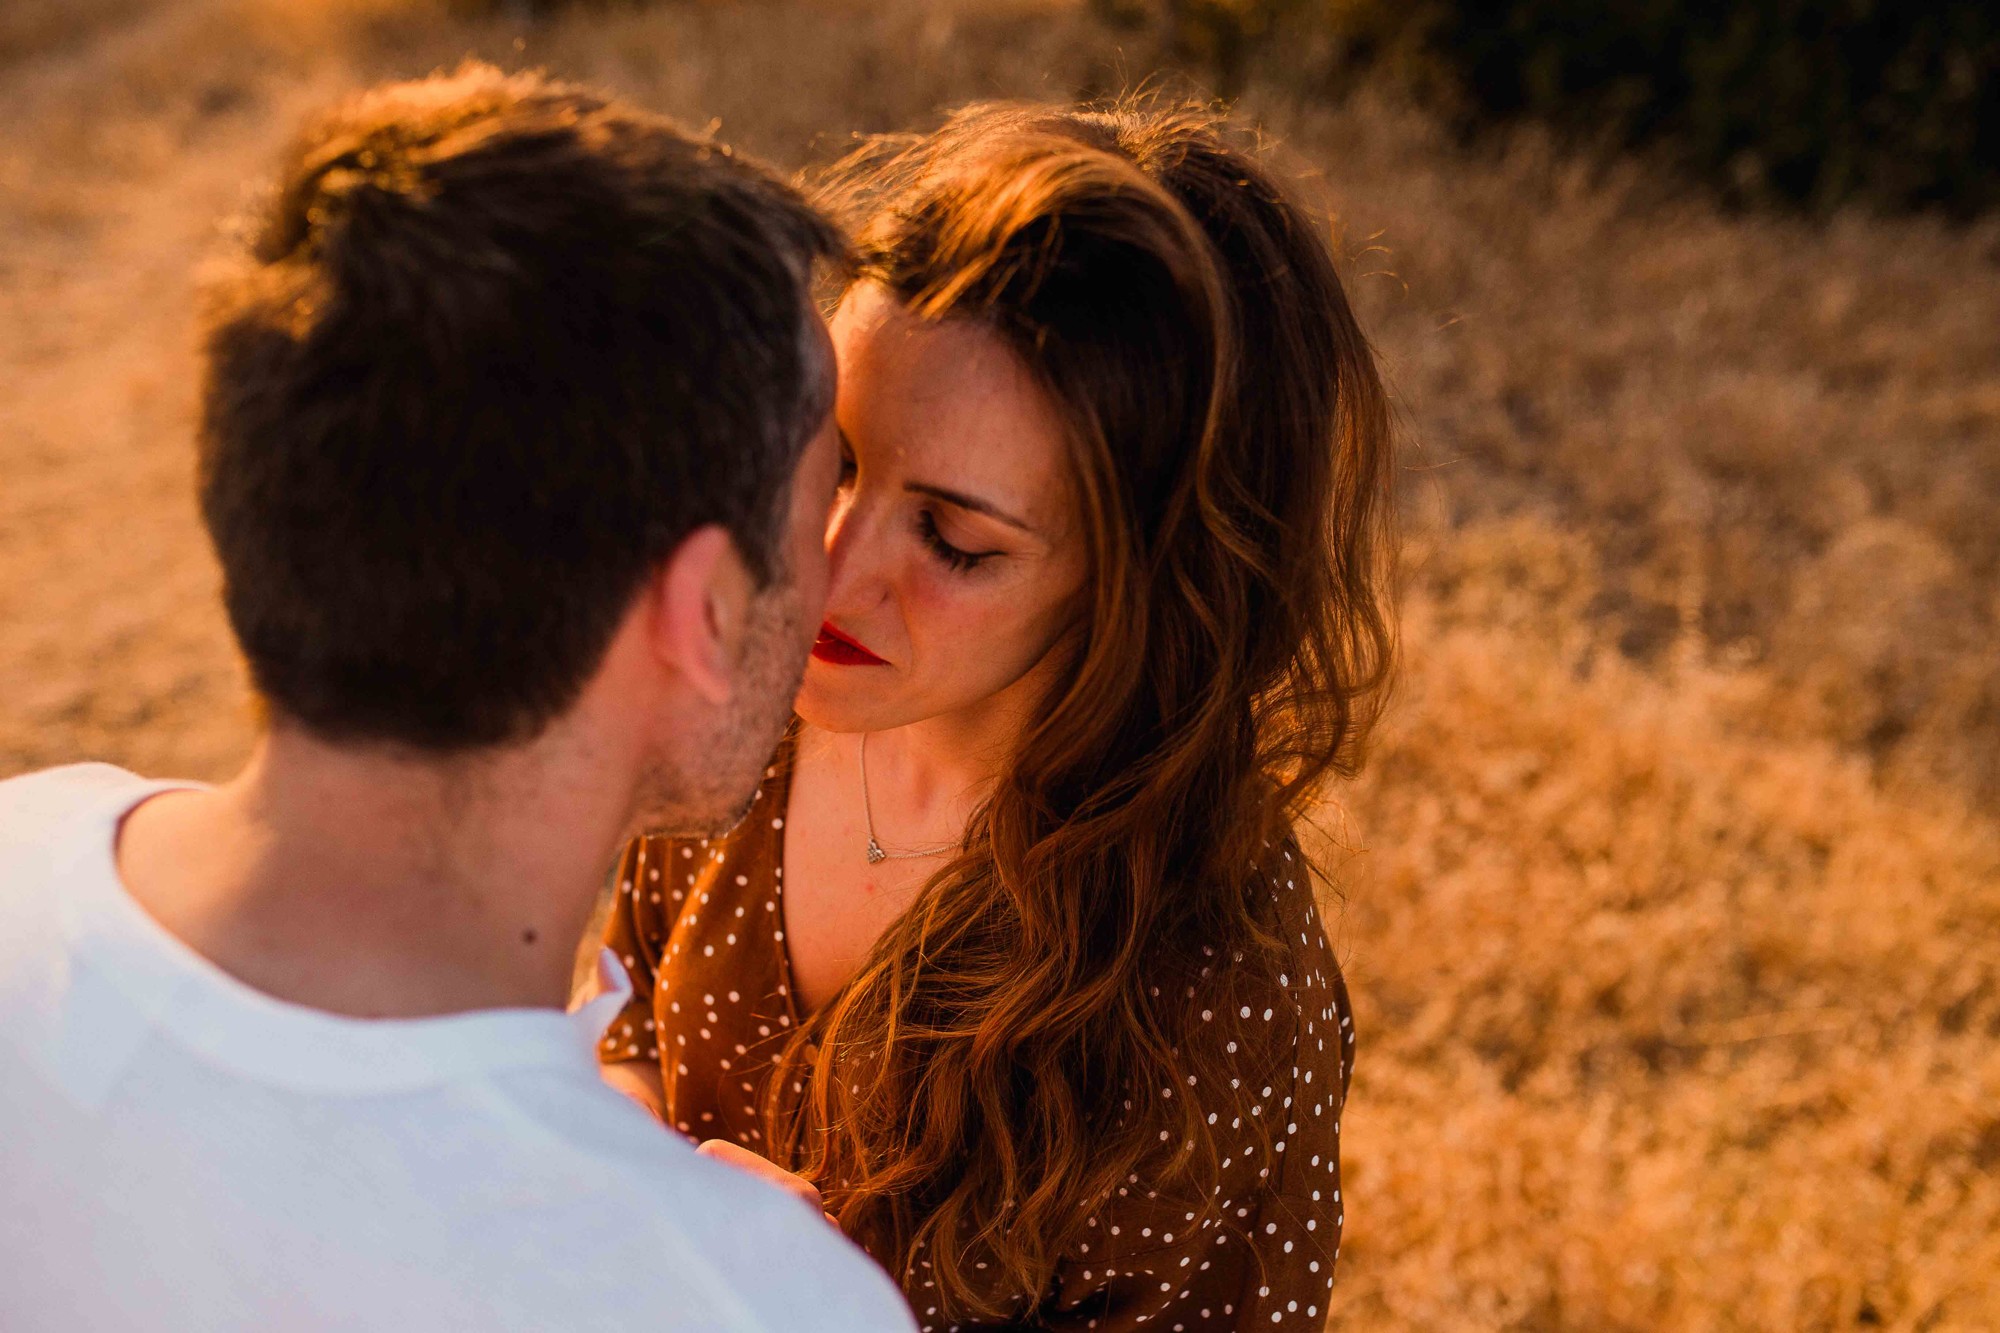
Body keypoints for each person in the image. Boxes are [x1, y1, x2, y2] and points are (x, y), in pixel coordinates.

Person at [0, 64, 915, 1332]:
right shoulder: (729, 1299)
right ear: (701, 607)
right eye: (828, 493)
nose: (848, 570)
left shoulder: (22, 847)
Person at [600, 99, 1396, 1331]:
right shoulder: (750, 689)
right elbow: (629, 1005)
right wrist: (627, 1157)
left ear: (1143, 583)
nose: (825, 561)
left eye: (954, 540)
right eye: (838, 459)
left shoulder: (1209, 1003)